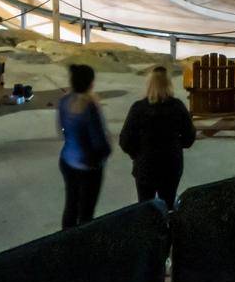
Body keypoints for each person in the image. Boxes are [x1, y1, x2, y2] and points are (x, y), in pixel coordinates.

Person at [119, 65, 196, 207]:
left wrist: (136, 153)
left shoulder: (138, 108)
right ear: (169, 84)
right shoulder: (177, 107)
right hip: (170, 166)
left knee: (145, 206)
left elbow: (125, 140)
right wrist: (178, 144)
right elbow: (189, 137)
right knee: (168, 203)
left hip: (145, 166)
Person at [57, 63, 112, 228]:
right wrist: (105, 152)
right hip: (88, 165)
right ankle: (82, 245)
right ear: (90, 83)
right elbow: (99, 143)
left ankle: (65, 240)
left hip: (67, 160)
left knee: (71, 204)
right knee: (86, 211)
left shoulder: (64, 101)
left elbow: (62, 131)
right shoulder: (90, 107)